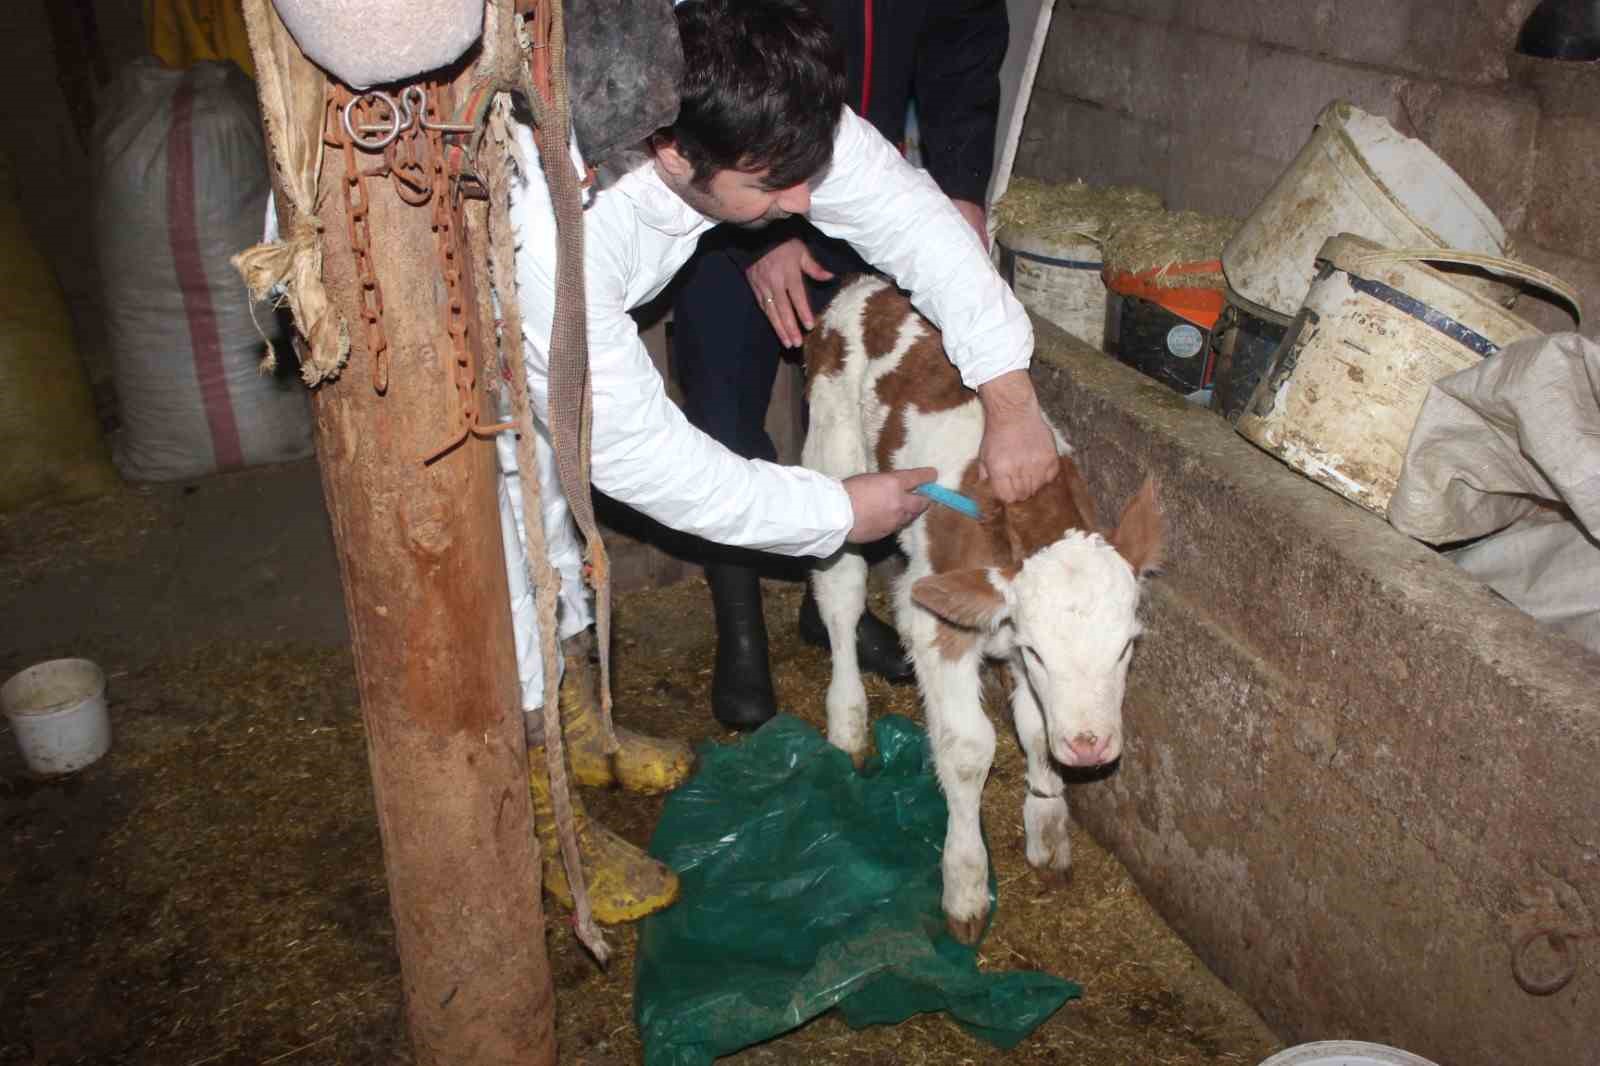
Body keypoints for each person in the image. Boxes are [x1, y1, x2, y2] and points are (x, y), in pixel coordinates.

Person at [502, 0, 1060, 925]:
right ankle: (531, 810)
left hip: (596, 286)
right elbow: (644, 456)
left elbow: (911, 218)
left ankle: (579, 725)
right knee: (505, 548)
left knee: (556, 526)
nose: (803, 207)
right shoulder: (559, 231)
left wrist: (1009, 393)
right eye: (774, 189)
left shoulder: (754, 104)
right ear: (674, 153)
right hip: (459, 347)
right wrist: (837, 514)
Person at [671, 0, 1010, 731]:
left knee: (847, 402)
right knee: (725, 406)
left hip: (854, 175)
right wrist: (753, 238)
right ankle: (741, 632)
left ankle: (831, 611)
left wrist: (959, 185)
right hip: (730, 190)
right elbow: (704, 78)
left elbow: (965, 35)